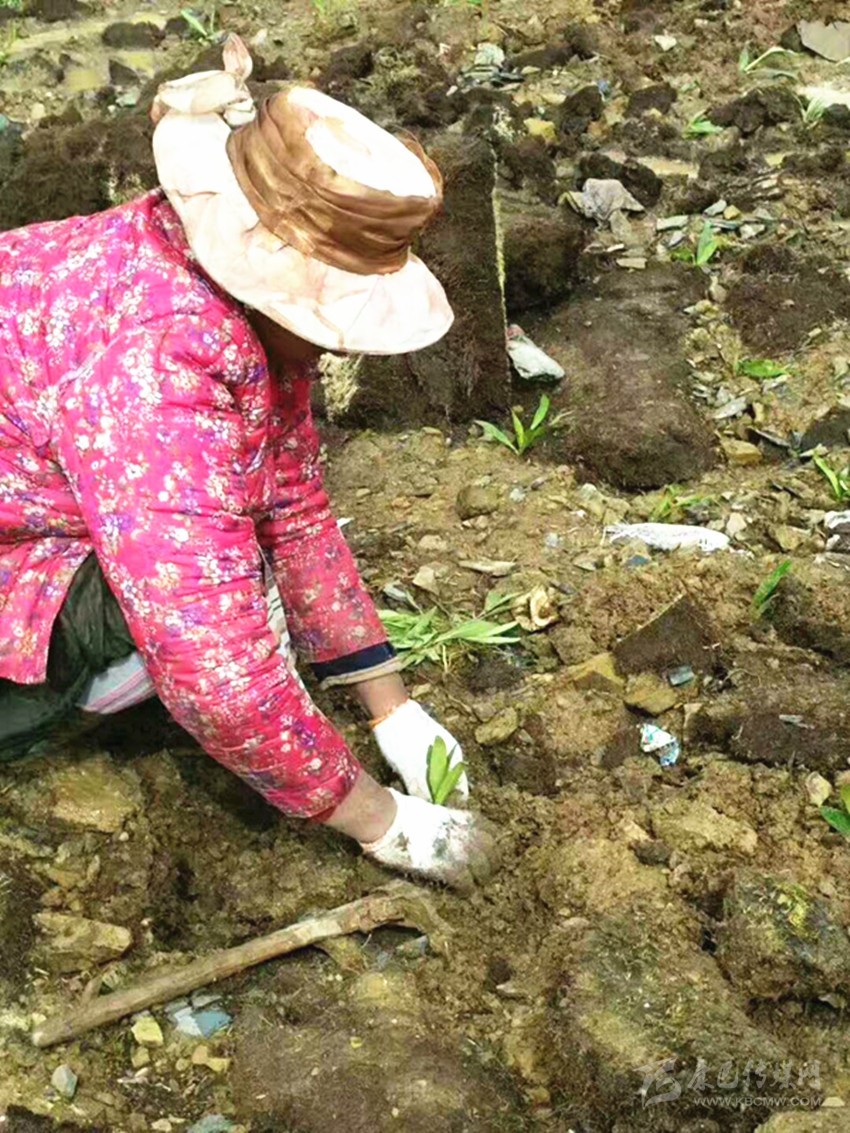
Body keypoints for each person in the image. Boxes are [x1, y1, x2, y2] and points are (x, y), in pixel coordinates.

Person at [0, 35, 496, 890]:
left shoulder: (225, 296)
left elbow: (291, 498)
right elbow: (215, 667)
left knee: (235, 558)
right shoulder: (157, 364)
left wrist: (393, 707)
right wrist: (379, 819)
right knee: (196, 611)